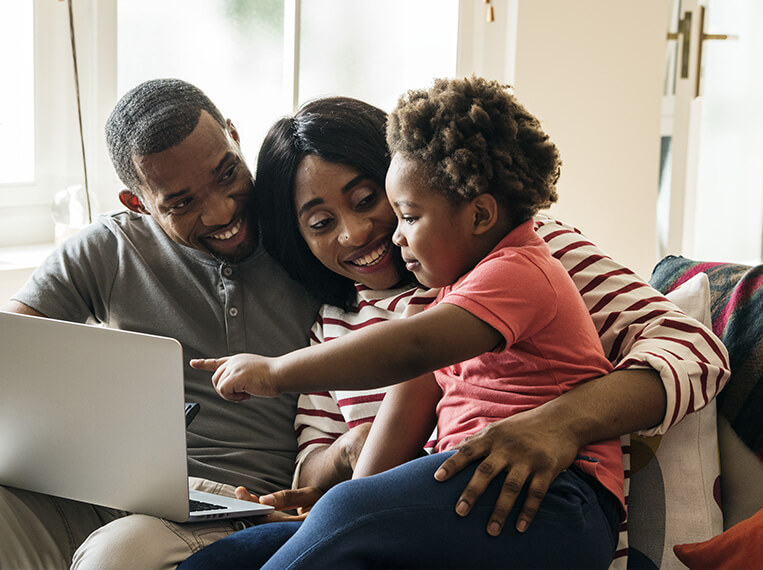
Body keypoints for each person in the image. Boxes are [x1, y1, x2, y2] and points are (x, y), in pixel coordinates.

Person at [181, 82, 729, 568]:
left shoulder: (526, 258)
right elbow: (351, 456)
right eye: (322, 223)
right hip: (428, 520)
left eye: (376, 202)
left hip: (547, 507)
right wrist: (344, 478)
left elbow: (695, 351)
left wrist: (562, 423)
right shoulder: (338, 321)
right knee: (231, 555)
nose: (359, 233)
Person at [0, 78, 322, 569]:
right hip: (94, 493)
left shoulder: (312, 233)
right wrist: (90, 429)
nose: (222, 210)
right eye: (181, 202)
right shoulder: (111, 248)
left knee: (117, 555)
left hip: (229, 508)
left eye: (227, 173)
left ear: (234, 135)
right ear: (138, 204)